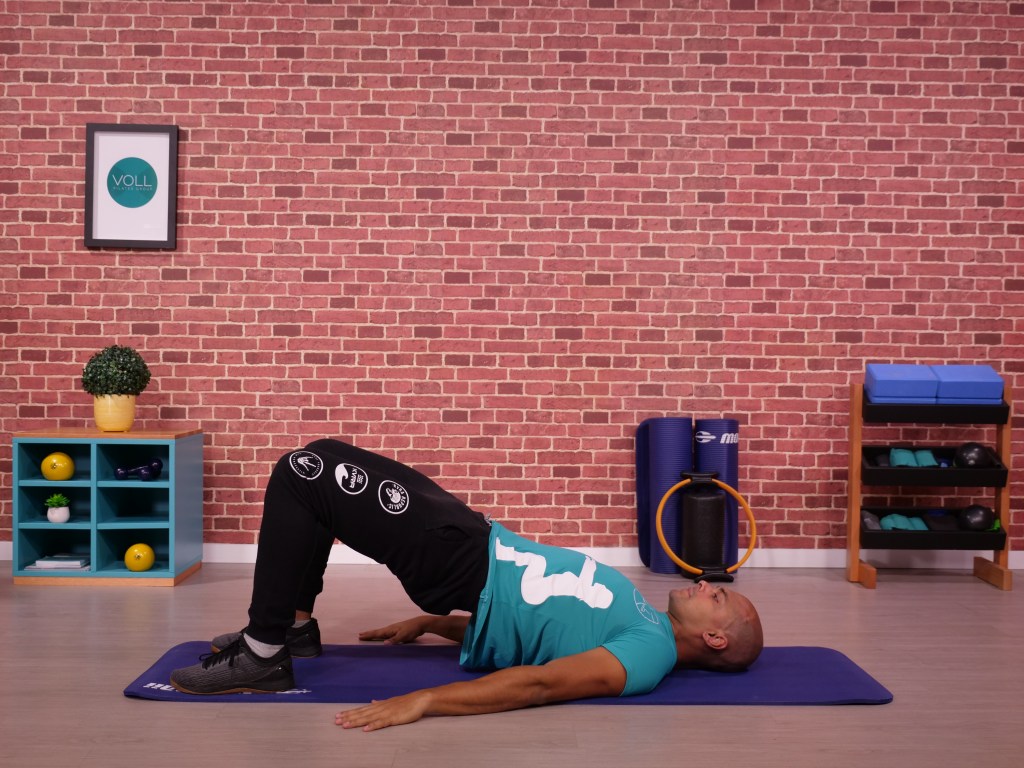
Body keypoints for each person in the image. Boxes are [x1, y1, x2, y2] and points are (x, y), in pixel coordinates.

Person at [170, 439, 763, 731]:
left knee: (302, 475)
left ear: (714, 639)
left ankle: (264, 652)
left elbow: (539, 683)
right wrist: (436, 625)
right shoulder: (646, 622)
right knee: (321, 457)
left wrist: (427, 700)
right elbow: (539, 629)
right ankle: (294, 632)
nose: (707, 585)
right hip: (472, 538)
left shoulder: (647, 656)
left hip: (458, 558)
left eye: (719, 598)